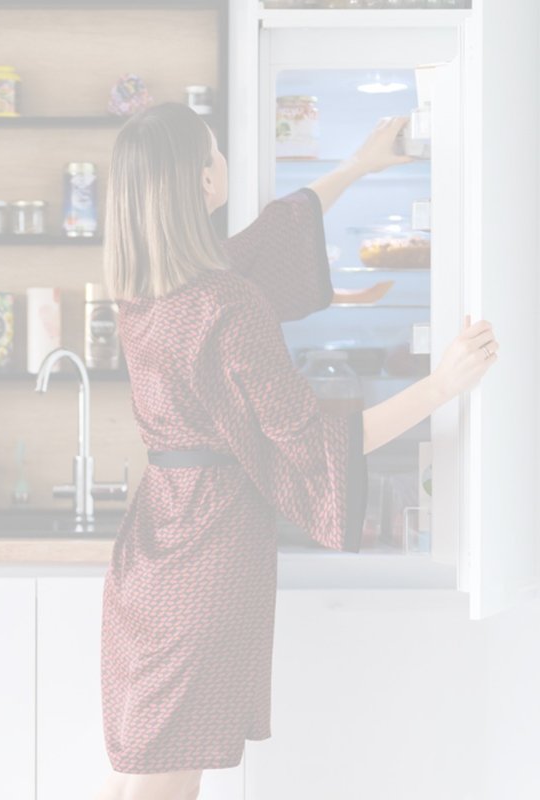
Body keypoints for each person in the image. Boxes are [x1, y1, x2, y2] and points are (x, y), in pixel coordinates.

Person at [94, 104, 499, 800]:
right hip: (209, 554)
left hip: (151, 553)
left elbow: (265, 240)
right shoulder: (228, 302)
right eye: (216, 150)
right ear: (203, 181)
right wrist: (444, 384)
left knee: (142, 763)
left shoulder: (145, 293)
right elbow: (315, 444)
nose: (224, 160)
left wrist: (356, 167)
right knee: (168, 773)